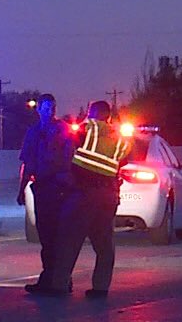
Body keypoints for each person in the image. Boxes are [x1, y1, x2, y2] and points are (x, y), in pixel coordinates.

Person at [55, 100, 131, 299]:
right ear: (108, 116)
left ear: (92, 113)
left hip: (83, 193)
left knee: (70, 239)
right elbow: (123, 161)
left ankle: (60, 283)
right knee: (104, 244)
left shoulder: (86, 130)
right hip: (107, 196)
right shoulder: (120, 139)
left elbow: (65, 150)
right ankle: (101, 287)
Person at [18, 93, 74, 295]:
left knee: (56, 237)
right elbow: (28, 163)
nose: (50, 111)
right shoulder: (34, 132)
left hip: (58, 189)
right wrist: (22, 190)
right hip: (43, 188)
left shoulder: (62, 130)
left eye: (53, 108)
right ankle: (52, 278)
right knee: (47, 236)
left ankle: (58, 280)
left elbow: (68, 159)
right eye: (47, 108)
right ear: (39, 109)